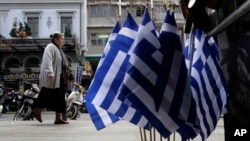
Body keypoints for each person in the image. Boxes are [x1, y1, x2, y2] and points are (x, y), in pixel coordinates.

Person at [33, 32, 69, 124]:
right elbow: (48, 60)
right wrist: (50, 73)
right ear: (56, 39)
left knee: (60, 97)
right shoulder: (50, 47)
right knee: (46, 94)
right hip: (52, 76)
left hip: (59, 77)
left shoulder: (58, 49)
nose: (63, 41)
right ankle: (37, 111)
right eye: (62, 39)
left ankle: (58, 118)